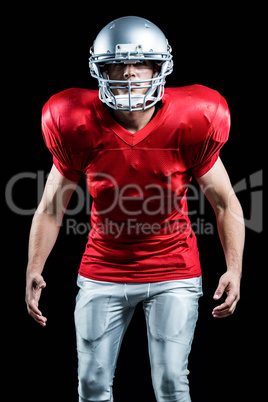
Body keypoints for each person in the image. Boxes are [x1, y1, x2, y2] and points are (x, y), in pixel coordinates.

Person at [25, 16, 245, 402]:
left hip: (174, 268)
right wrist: (34, 267)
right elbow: (50, 206)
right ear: (99, 69)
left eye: (140, 62)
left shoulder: (192, 120)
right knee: (91, 387)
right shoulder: (74, 122)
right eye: (115, 64)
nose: (128, 74)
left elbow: (225, 201)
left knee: (172, 383)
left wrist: (235, 269)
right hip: (103, 267)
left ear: (160, 68)